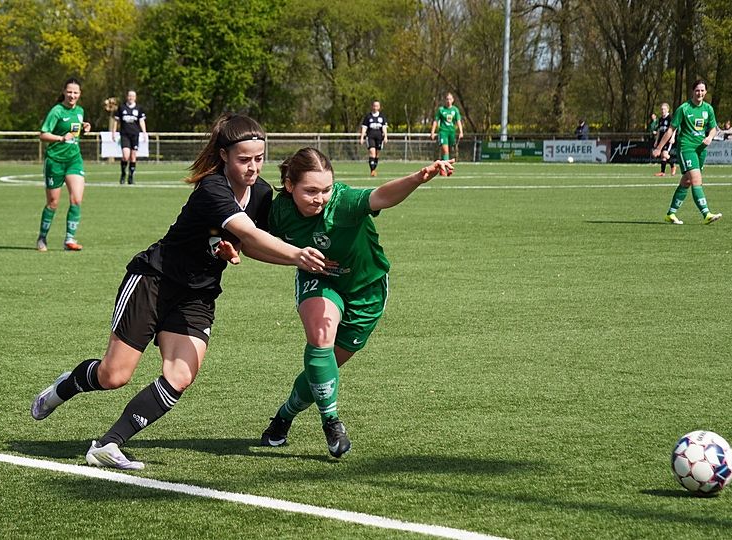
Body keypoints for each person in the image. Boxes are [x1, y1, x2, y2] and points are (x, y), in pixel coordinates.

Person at [30, 114, 329, 470]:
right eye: (244, 159)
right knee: (114, 376)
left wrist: (252, 252)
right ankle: (65, 387)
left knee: (180, 375)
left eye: (259, 158)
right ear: (224, 156)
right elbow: (248, 233)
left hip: (198, 295)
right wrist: (297, 255)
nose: (253, 167)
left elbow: (249, 244)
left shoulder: (261, 193)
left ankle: (108, 444)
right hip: (154, 280)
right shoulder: (212, 188)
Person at [259, 147, 454, 458]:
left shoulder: (344, 202)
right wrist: (293, 258)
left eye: (325, 189)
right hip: (321, 280)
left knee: (325, 368)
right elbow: (254, 242)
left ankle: (284, 416)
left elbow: (381, 196)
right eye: (310, 191)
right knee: (320, 337)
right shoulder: (279, 211)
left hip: (367, 290)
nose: (319, 198)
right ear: (289, 185)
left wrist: (418, 177)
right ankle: (332, 422)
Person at [652, 79, 722, 225]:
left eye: (702, 90)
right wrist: (659, 148)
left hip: (701, 149)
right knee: (696, 180)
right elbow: (671, 129)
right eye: (697, 90)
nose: (700, 93)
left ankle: (670, 214)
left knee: (687, 181)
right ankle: (706, 214)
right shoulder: (684, 108)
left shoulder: (708, 109)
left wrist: (709, 137)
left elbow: (713, 128)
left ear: (706, 92)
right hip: (686, 148)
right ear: (692, 91)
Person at [36, 77, 91, 252]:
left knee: (76, 199)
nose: (72, 95)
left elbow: (75, 130)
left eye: (75, 92)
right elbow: (43, 134)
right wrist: (61, 138)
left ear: (80, 94)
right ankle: (42, 237)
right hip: (55, 161)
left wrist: (84, 127)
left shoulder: (80, 111)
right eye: (69, 92)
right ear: (64, 92)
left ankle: (69, 240)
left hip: (74, 159)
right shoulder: (57, 111)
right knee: (53, 203)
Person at [112, 90, 148, 185]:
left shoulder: (139, 108)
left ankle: (131, 177)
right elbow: (116, 121)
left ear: (135, 98)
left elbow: (141, 121)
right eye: (129, 96)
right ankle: (123, 174)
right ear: (127, 97)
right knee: (125, 155)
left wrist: (144, 133)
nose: (131, 97)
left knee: (133, 156)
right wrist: (113, 132)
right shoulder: (122, 107)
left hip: (135, 135)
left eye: (133, 96)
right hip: (124, 134)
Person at [358, 100, 389, 177]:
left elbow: (384, 128)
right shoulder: (368, 117)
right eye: (374, 106)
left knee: (377, 154)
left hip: (379, 137)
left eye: (377, 106)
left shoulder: (382, 117)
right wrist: (362, 138)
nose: (375, 107)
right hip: (370, 136)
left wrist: (385, 137)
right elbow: (364, 128)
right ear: (372, 106)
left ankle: (374, 169)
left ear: (379, 107)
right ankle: (372, 170)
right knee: (372, 153)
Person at [430, 92, 463, 160]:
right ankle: (445, 165)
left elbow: (458, 121)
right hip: (443, 132)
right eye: (447, 99)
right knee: (445, 150)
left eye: (450, 99)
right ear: (445, 100)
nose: (448, 101)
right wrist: (432, 132)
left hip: (452, 132)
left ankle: (444, 163)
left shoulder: (455, 110)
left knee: (449, 151)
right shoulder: (441, 109)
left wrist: (461, 132)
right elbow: (436, 121)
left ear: (453, 100)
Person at [653, 103, 677, 177]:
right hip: (661, 139)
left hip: (668, 139)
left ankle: (673, 165)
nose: (662, 110)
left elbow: (674, 128)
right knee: (662, 156)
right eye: (662, 109)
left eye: (664, 109)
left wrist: (673, 137)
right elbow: (659, 130)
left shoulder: (670, 117)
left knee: (665, 154)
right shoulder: (660, 119)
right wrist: (656, 141)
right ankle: (662, 172)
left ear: (668, 109)